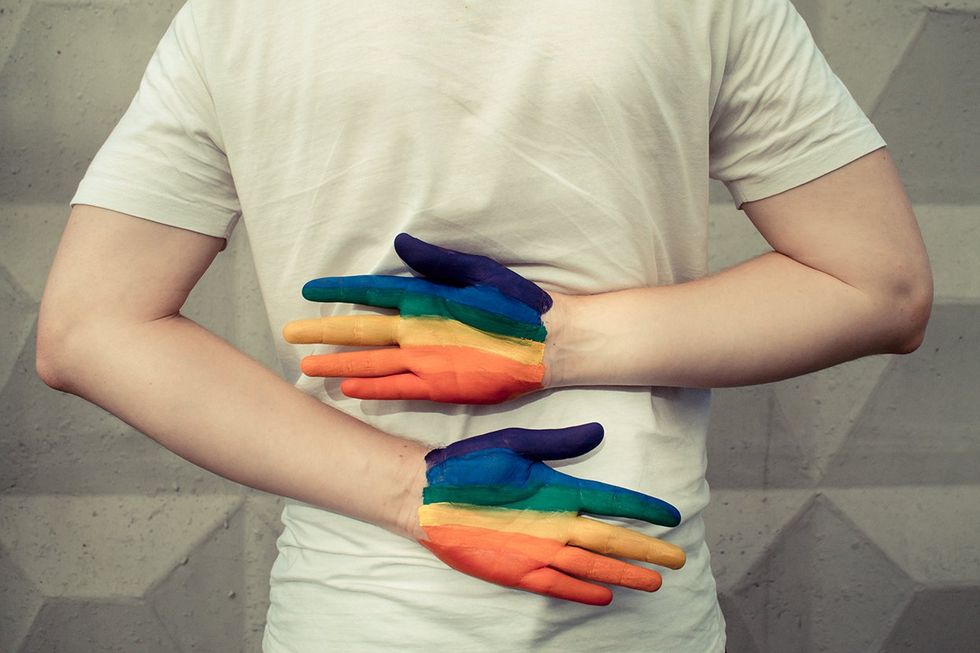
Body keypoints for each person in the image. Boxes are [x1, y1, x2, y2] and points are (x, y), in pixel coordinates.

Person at [36, 0, 932, 650]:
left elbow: (90, 326)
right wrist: (561, 340)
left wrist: (412, 484)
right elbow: (879, 283)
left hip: (354, 614)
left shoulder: (233, 19)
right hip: (635, 606)